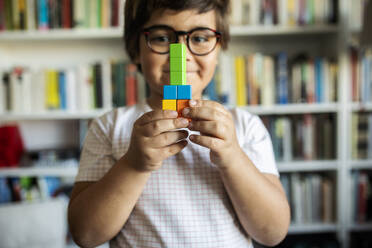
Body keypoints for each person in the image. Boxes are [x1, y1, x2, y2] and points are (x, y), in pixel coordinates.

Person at [68, 0, 290, 247]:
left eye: (200, 38)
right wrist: (133, 164)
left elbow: (273, 232)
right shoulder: (108, 127)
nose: (181, 56)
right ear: (135, 49)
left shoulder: (245, 126)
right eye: (162, 38)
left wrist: (233, 157)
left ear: (220, 48)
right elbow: (85, 235)